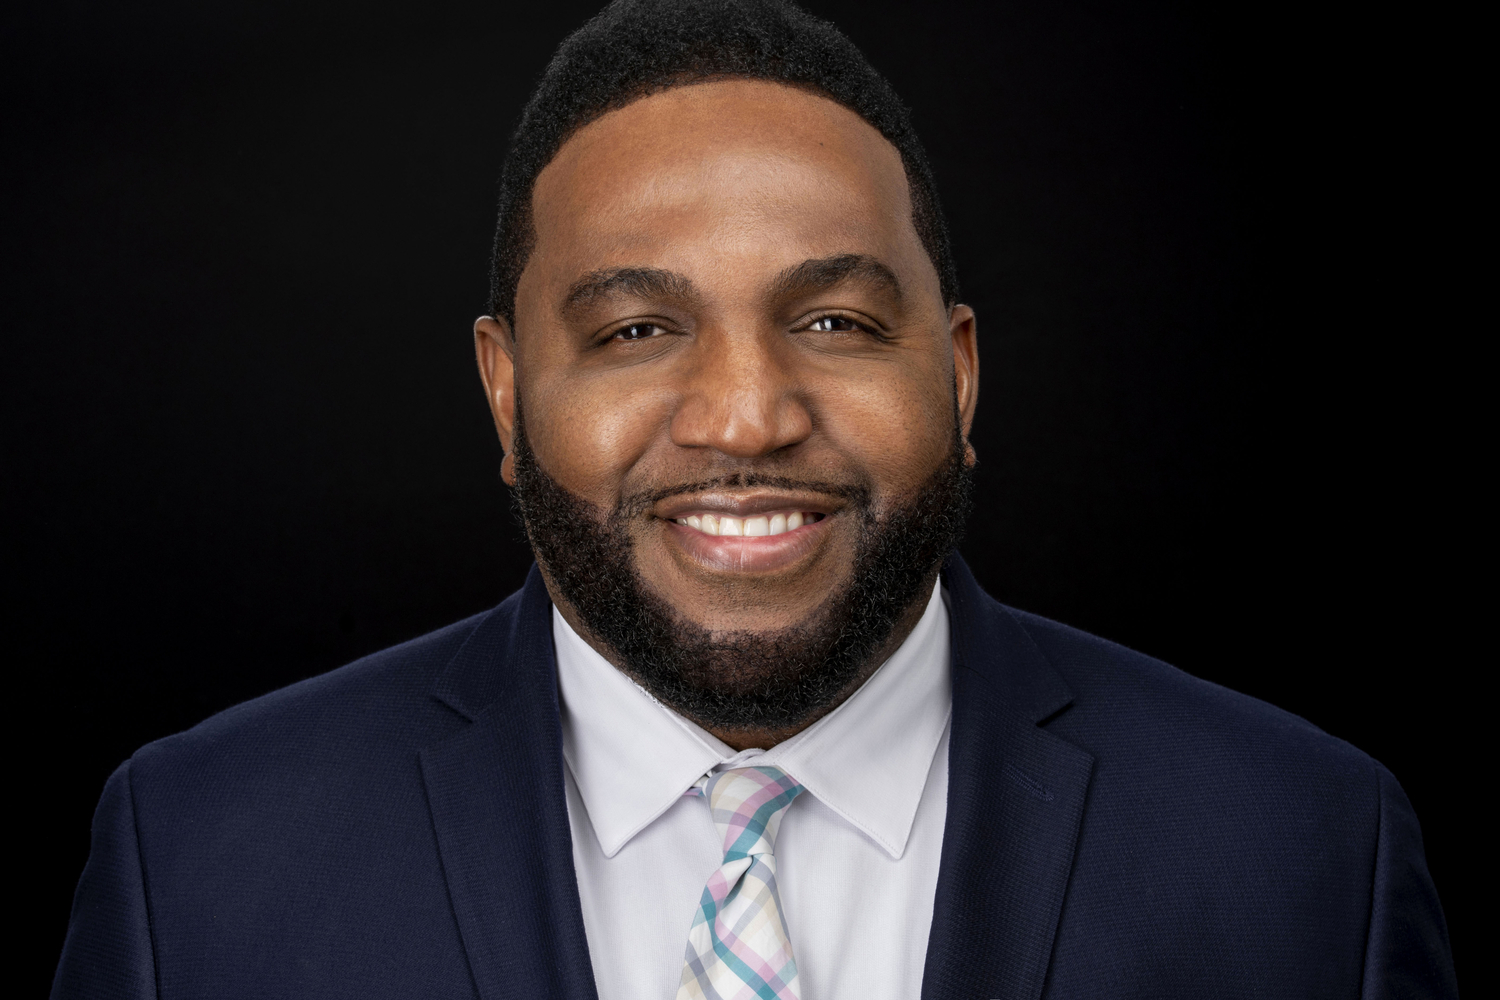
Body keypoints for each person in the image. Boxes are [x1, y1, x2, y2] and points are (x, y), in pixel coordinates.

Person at [52, 1, 1456, 997]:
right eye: (635, 330)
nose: (745, 416)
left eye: (837, 322)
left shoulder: (1307, 853)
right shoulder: (200, 861)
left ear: (960, 374)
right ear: (505, 394)